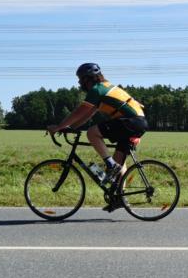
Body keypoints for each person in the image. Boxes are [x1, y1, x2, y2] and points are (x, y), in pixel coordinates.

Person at [47, 63, 148, 211]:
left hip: (131, 122)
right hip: (138, 122)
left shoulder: (97, 89)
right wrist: (71, 128)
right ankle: (121, 197)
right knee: (119, 162)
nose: (79, 83)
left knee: (92, 133)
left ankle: (110, 165)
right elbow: (88, 114)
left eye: (81, 79)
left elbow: (80, 111)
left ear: (89, 79)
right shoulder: (104, 88)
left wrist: (59, 126)